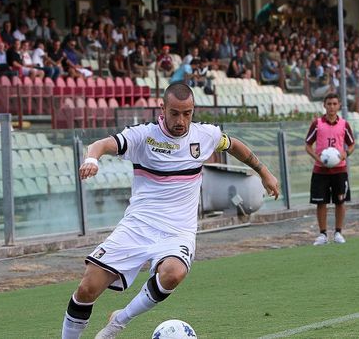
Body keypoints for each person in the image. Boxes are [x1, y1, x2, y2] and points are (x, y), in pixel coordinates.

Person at [60, 83, 280, 339]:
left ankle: (119, 321)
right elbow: (101, 144)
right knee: (88, 287)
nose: (181, 120)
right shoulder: (144, 136)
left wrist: (263, 171)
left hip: (178, 231)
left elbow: (233, 145)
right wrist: (92, 159)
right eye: (175, 113)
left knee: (174, 273)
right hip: (138, 226)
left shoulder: (205, 135)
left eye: (187, 113)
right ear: (162, 109)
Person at [305, 93, 355, 245]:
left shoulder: (344, 124)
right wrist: (317, 158)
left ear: (339, 105)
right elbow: (308, 145)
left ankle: (338, 232)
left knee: (340, 201)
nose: (332, 107)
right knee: (321, 202)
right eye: (329, 104)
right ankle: (323, 234)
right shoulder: (317, 124)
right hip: (321, 170)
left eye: (334, 104)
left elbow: (352, 144)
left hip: (339, 170)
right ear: (324, 105)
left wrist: (344, 155)